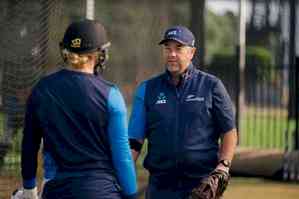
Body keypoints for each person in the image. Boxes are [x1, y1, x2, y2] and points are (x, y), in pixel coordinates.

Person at [20, 19, 137, 199]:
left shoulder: (42, 89)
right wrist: (131, 194)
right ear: (99, 54)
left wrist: (29, 188)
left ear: (66, 52)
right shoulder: (111, 95)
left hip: (57, 190)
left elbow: (29, 144)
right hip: (102, 191)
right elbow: (122, 157)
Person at [128, 25, 238, 199]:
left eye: (178, 48)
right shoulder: (147, 89)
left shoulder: (211, 86)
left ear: (192, 52)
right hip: (160, 188)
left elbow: (229, 132)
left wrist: (223, 166)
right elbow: (134, 141)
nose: (172, 54)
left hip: (202, 187)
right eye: (167, 49)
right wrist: (120, 177)